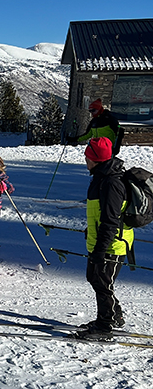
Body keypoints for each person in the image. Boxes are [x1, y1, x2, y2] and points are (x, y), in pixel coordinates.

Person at [68, 137, 132, 342]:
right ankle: (115, 315)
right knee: (95, 279)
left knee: (103, 283)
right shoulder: (100, 177)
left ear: (96, 159)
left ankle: (105, 325)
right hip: (100, 241)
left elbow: (111, 221)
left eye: (88, 156)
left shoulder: (112, 182)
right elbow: (99, 213)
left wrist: (100, 250)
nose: (85, 159)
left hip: (112, 244)